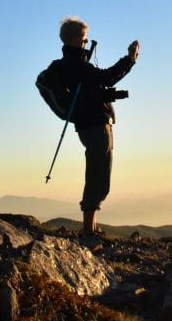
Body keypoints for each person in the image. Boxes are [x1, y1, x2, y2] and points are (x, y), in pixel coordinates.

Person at [58, 17, 139, 249]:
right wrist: (129, 59)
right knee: (98, 172)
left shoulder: (70, 64)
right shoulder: (76, 64)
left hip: (88, 123)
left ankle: (92, 227)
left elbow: (92, 89)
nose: (86, 44)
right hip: (95, 125)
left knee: (97, 170)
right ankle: (87, 232)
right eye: (84, 39)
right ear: (76, 39)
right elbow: (106, 77)